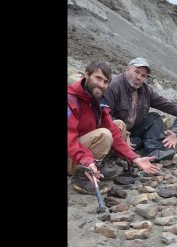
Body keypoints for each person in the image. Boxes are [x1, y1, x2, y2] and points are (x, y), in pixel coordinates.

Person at [68, 60, 161, 195]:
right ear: (86, 75)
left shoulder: (97, 100)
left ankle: (98, 166)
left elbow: (114, 132)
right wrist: (87, 160)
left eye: (106, 82)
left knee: (118, 125)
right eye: (98, 78)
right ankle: (81, 177)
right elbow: (69, 139)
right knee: (104, 134)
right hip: (72, 155)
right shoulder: (71, 100)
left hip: (81, 152)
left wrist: (134, 158)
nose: (101, 85)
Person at [103, 57, 177, 162]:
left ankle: (153, 151)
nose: (139, 77)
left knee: (154, 118)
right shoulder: (114, 86)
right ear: (127, 69)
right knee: (118, 125)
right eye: (136, 72)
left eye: (143, 75)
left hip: (133, 129)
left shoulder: (145, 89)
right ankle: (125, 147)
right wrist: (123, 135)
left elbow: (164, 103)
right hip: (116, 130)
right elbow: (105, 117)